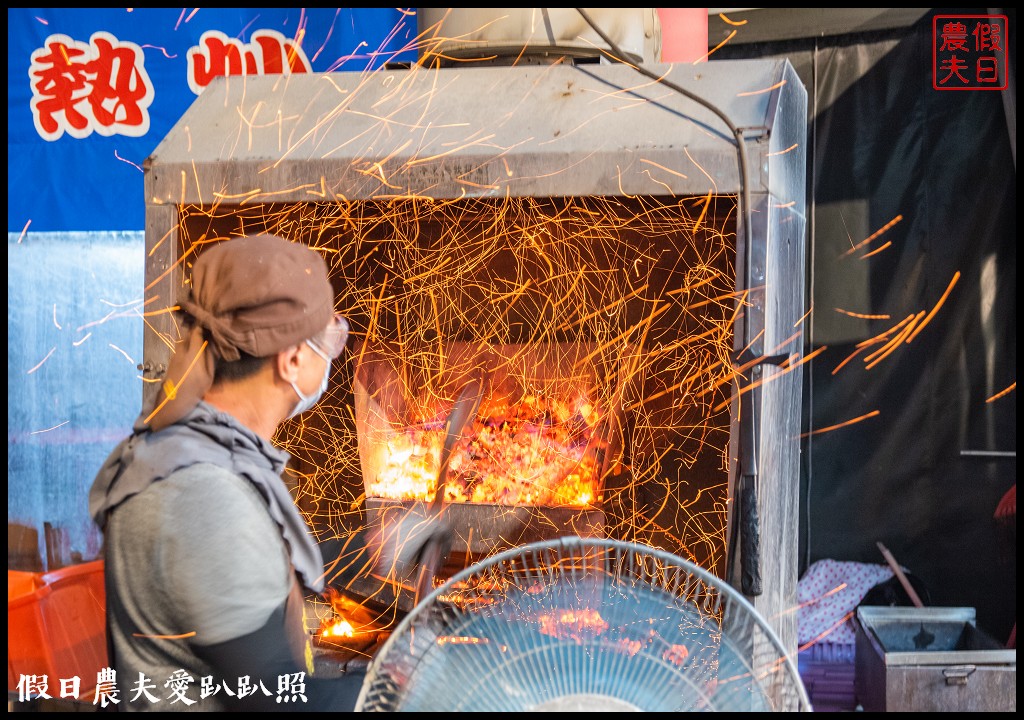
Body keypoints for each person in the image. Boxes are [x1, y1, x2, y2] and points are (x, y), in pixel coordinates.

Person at [89, 233, 444, 712]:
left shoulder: (192, 453)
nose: (336, 353)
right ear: (292, 358)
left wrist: (372, 546)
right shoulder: (202, 492)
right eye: (330, 336)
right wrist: (403, 682)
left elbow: (240, 562)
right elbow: (279, 703)